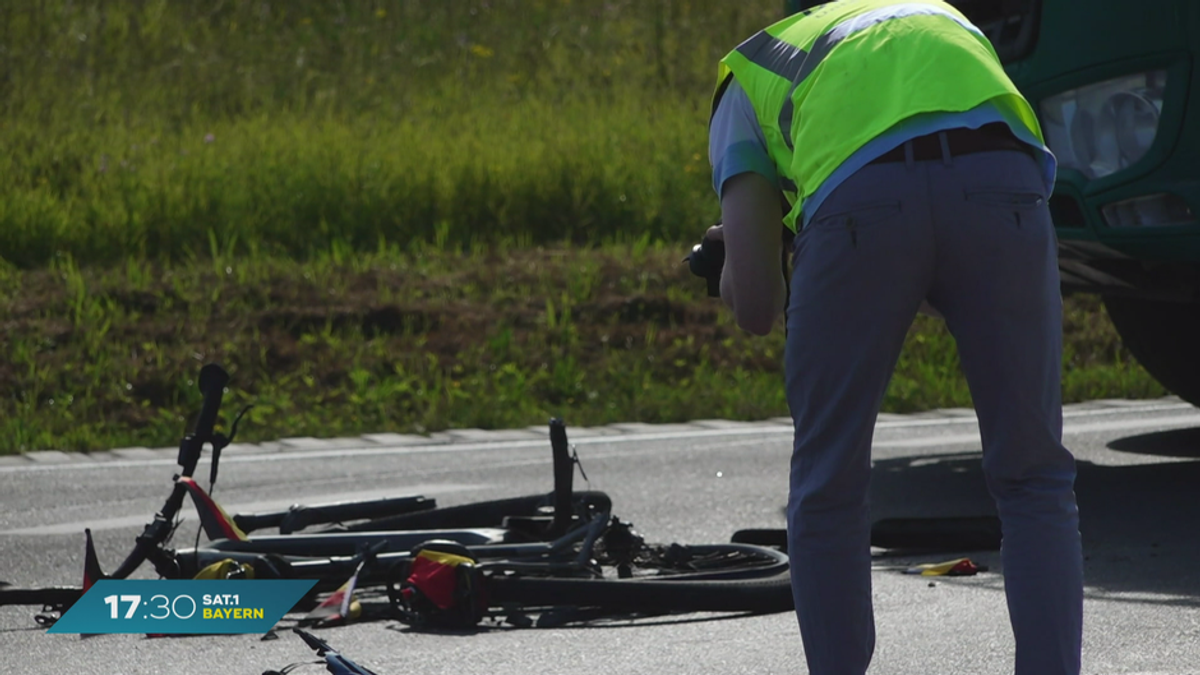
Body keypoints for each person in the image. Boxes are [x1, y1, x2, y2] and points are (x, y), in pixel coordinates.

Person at [704, 1, 1084, 674]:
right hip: (1007, 186)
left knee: (829, 483)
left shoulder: (753, 67)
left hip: (859, 206)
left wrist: (732, 259)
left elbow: (757, 304)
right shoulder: (940, 16)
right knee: (1034, 478)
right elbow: (948, 249)